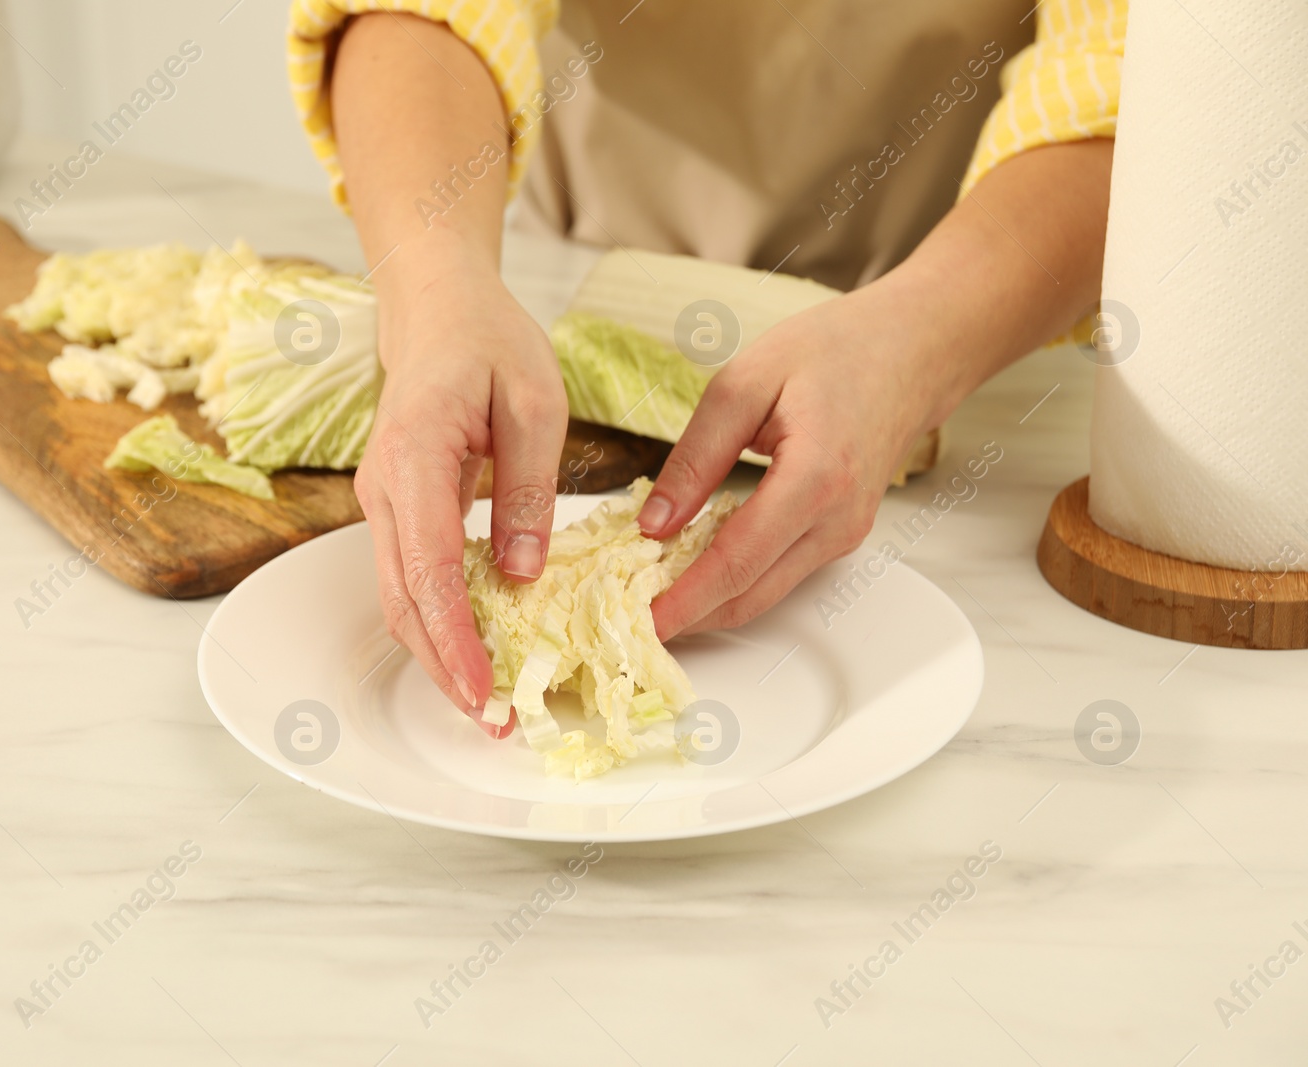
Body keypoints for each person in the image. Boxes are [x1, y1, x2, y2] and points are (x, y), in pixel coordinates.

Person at [286, 0, 1124, 735]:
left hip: (967, 277)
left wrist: (921, 342)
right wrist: (437, 291)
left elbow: (1130, 85)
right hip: (583, 249)